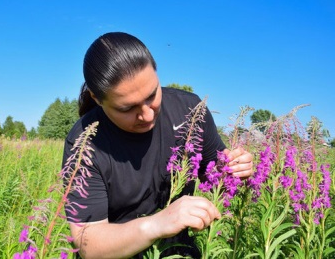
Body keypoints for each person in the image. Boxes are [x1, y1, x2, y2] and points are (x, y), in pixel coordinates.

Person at [62, 32, 253, 259]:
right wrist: (156, 224)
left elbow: (216, 175)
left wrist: (237, 167)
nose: (147, 114)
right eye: (127, 108)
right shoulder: (84, 143)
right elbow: (87, 244)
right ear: (97, 98)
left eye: (152, 94)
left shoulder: (191, 112)